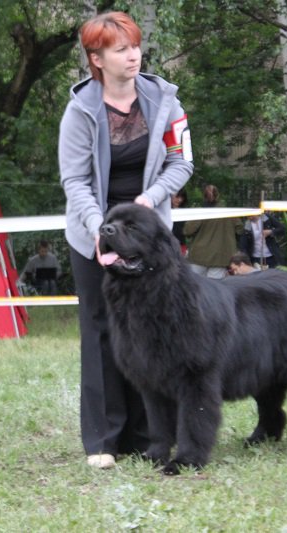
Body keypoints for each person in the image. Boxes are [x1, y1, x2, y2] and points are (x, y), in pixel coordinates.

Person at [58, 11, 194, 469]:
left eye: (134, 46)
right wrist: (101, 228)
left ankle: (148, 435)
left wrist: (150, 198)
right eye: (120, 49)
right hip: (93, 232)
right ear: (97, 59)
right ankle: (103, 441)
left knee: (151, 334)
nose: (132, 55)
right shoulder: (80, 111)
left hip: (150, 234)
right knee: (101, 333)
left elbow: (182, 163)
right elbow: (74, 180)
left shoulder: (167, 103)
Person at [184, 184, 243, 279]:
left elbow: (187, 231)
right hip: (220, 256)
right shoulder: (230, 213)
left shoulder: (199, 212)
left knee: (196, 286)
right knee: (214, 288)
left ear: (203, 196)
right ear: (218, 196)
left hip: (199, 256)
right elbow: (240, 230)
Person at [171, 188, 188, 253]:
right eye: (177, 197)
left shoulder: (185, 212)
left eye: (182, 197)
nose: (180, 200)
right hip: (165, 246)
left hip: (181, 246)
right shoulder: (163, 211)